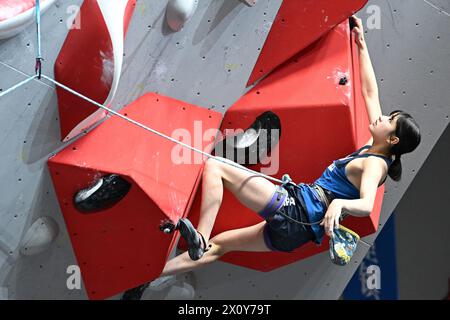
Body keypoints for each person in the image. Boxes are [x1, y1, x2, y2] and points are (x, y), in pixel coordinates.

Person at [159, 15, 421, 279]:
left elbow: (365, 204)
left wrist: (339, 205)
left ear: (393, 140)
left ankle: (200, 237)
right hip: (296, 233)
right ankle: (150, 275)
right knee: (221, 247)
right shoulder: (374, 148)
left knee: (216, 167)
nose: (382, 117)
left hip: (297, 210)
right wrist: (361, 43)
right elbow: (370, 93)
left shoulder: (376, 163)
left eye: (390, 120)